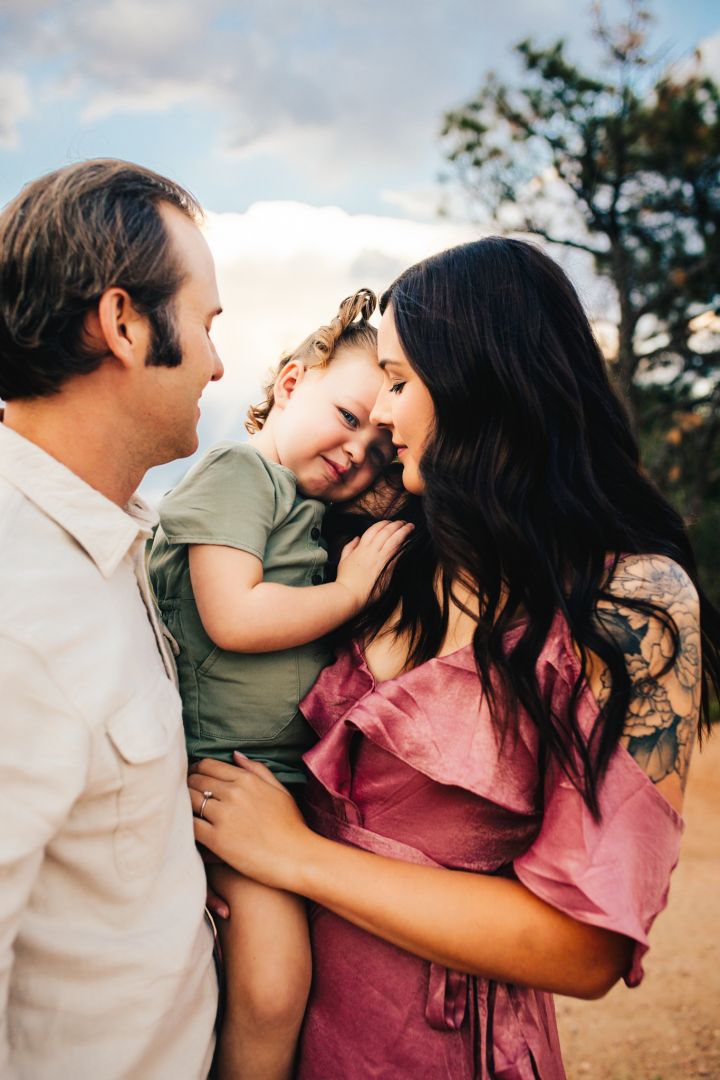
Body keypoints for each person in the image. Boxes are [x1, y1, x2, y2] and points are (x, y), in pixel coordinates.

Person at [187, 238, 720, 1079]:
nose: (380, 415)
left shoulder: (633, 606)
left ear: (482, 383)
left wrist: (294, 856)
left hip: (442, 1054)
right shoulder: (384, 549)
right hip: (279, 1032)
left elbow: (585, 947)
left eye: (398, 382)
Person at [149, 288, 409, 1080]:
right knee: (273, 985)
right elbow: (233, 616)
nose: (358, 451)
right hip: (227, 774)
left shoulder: (305, 509)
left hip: (283, 783)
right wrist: (351, 592)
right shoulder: (240, 472)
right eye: (347, 417)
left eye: (381, 448)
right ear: (292, 384)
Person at [0, 159, 223, 1078]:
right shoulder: (18, 603)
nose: (218, 363)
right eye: (208, 324)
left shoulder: (114, 536)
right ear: (125, 324)